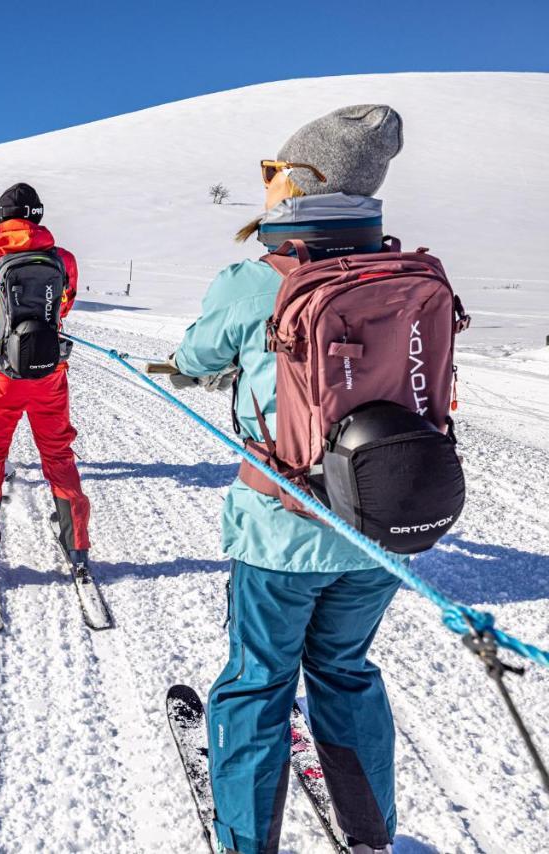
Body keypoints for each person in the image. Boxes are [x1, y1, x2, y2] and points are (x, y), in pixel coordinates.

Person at [171, 105, 406, 854]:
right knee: (344, 670)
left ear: (301, 184)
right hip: (380, 527)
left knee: (258, 682)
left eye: (274, 172)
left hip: (283, 532)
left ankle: (246, 841)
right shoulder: (403, 273)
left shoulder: (254, 280)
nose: (266, 186)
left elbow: (199, 355)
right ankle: (371, 835)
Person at [0, 183, 90, 572]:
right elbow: (65, 305)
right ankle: (77, 545)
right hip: (49, 374)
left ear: (3, 217)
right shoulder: (63, 260)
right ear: (37, 214)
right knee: (58, 455)